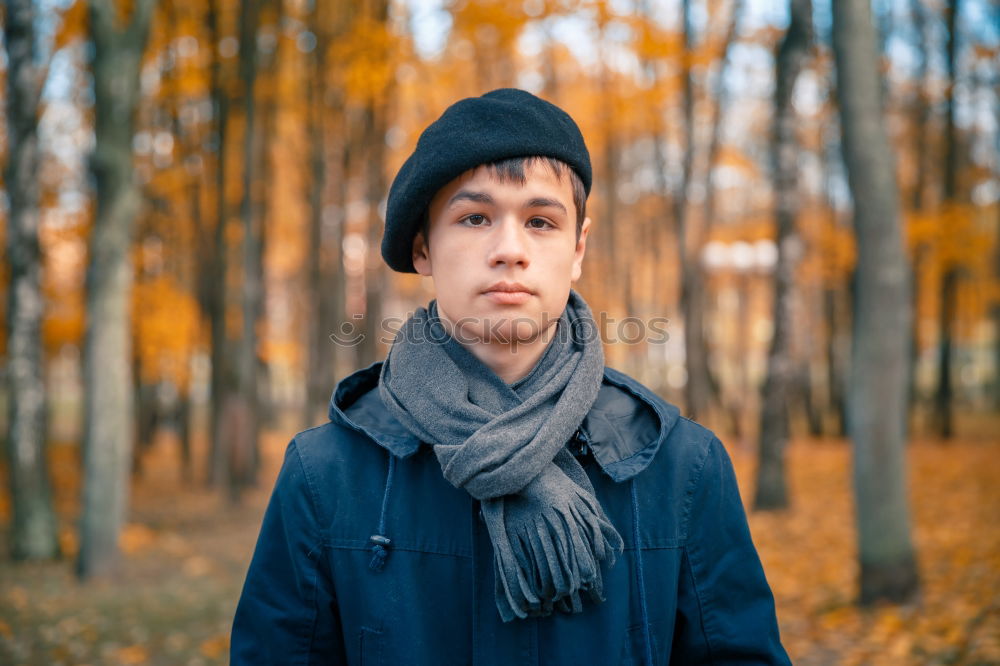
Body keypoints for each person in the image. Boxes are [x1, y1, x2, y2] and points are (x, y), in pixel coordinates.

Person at [230, 88, 791, 665]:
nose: (509, 250)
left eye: (541, 221)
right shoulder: (327, 474)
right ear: (423, 248)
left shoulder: (681, 467)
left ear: (578, 248)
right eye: (474, 218)